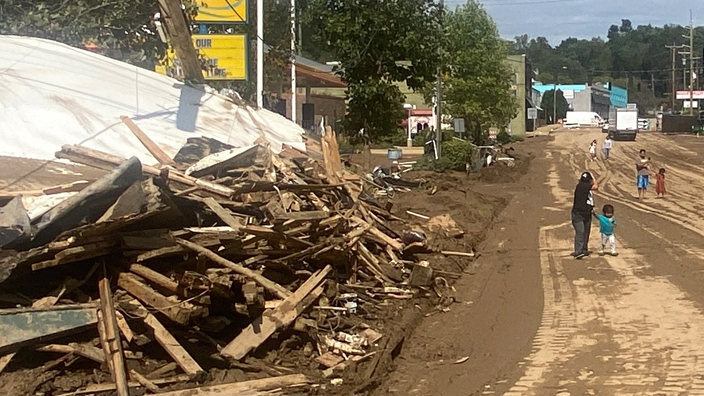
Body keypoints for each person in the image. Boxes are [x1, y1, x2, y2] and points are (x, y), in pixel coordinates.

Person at [572, 171, 598, 259]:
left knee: (585, 232)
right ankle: (578, 251)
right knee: (581, 232)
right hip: (578, 214)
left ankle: (583, 249)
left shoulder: (581, 186)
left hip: (586, 212)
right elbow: (596, 187)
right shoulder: (584, 186)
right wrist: (593, 177)